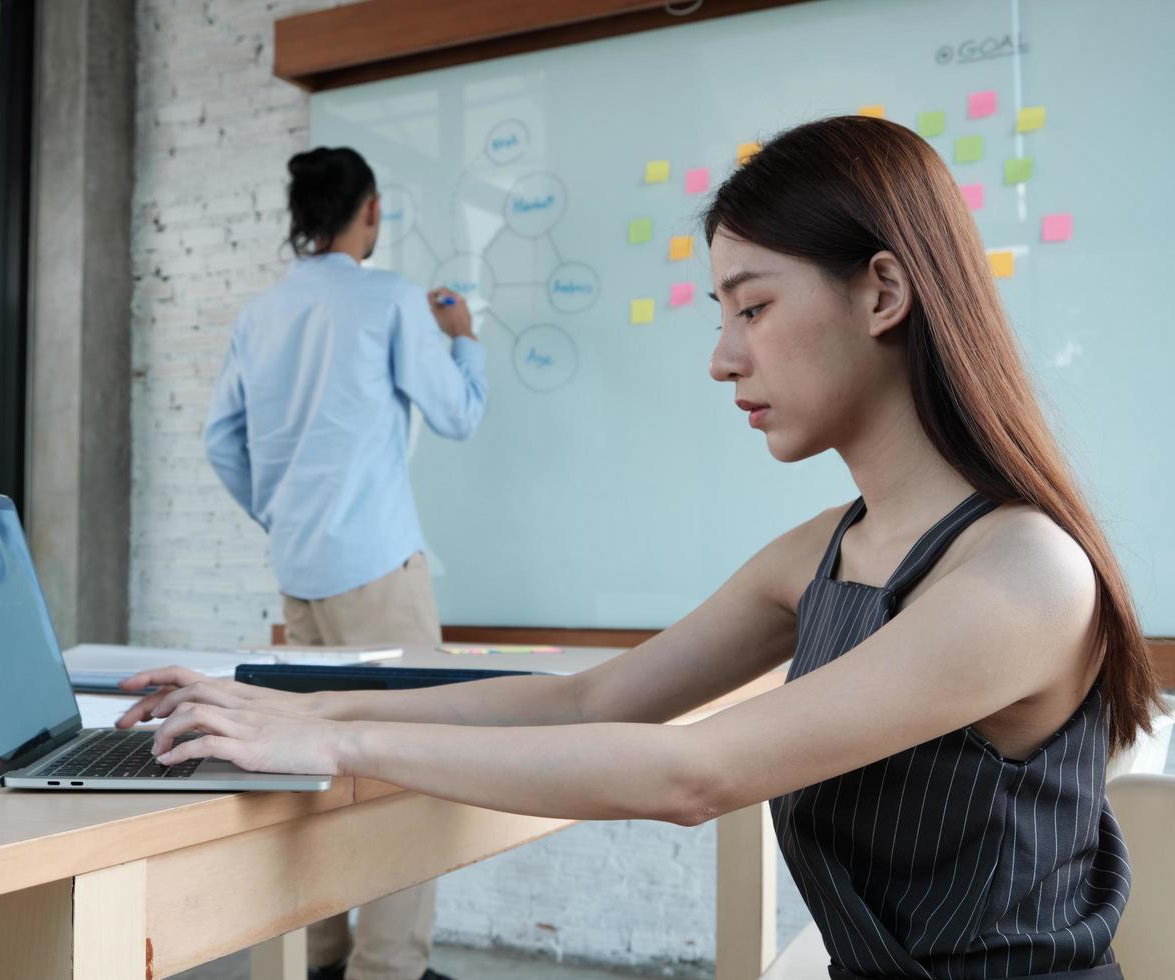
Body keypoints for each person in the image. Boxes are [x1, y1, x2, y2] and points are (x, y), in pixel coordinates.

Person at [121, 117, 1161, 980]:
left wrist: (340, 745)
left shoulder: (1024, 573)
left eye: (754, 306)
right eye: (722, 312)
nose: (722, 357)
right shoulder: (824, 551)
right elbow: (588, 700)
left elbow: (689, 770)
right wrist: (306, 707)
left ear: (884, 294)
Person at [196, 145, 485, 980]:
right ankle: (386, 969)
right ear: (371, 212)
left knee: (303, 772)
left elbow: (221, 442)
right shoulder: (391, 300)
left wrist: (282, 514)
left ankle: (313, 959)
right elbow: (458, 414)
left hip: (301, 579)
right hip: (380, 577)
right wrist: (462, 340)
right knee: (413, 777)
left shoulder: (260, 314)